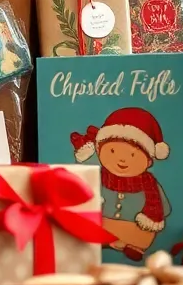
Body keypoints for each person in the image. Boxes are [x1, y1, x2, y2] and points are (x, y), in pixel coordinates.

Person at [71, 107, 171, 262]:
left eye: (132, 154)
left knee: (142, 234)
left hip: (136, 230)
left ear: (149, 160)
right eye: (112, 151)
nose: (122, 160)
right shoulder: (97, 177)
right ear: (99, 149)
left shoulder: (150, 186)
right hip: (101, 227)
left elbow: (164, 209)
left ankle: (130, 245)